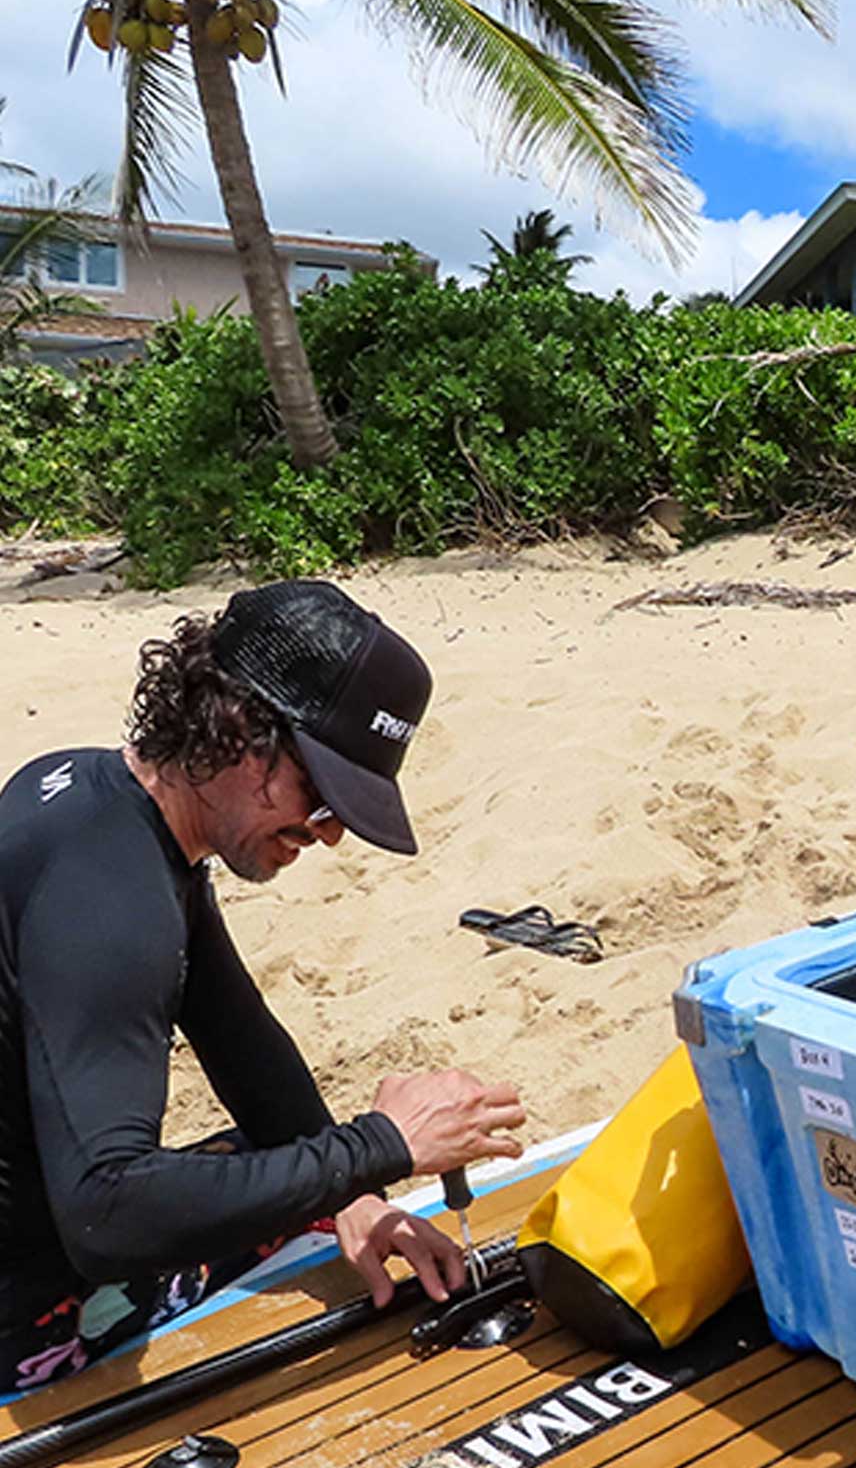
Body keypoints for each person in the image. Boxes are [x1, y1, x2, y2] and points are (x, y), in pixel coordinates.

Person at [0, 579, 527, 1391]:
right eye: (321, 794)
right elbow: (108, 1212)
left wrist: (355, 1192)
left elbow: (237, 1035)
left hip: (48, 1215)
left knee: (284, 1161)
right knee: (249, 1186)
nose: (330, 834)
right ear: (241, 729)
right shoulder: (112, 905)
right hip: (27, 1313)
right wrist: (381, 1144)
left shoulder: (99, 801)